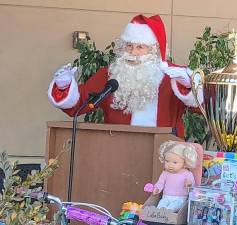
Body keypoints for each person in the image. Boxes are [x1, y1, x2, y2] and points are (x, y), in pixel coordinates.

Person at [48, 14, 202, 138]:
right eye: (129, 46)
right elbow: (79, 104)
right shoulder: (110, 75)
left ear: (154, 50)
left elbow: (205, 109)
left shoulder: (176, 75)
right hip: (117, 151)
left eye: (140, 47)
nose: (133, 52)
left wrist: (190, 87)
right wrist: (64, 86)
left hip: (166, 157)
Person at [152, 140, 198, 212]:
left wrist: (189, 183)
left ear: (185, 163)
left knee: (172, 208)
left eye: (175, 162)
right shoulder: (165, 173)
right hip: (166, 197)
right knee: (160, 206)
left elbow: (191, 184)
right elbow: (160, 183)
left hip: (180, 198)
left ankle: (168, 216)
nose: (170, 165)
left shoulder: (187, 173)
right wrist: (157, 188)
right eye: (167, 161)